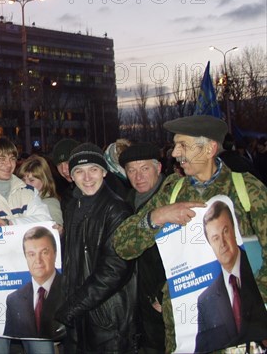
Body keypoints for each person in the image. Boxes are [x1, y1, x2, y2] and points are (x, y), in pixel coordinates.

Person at [113, 115, 267, 353]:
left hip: (241, 334)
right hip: (184, 333)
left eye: (182, 145)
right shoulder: (173, 192)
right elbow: (122, 245)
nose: (174, 153)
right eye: (175, 145)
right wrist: (158, 216)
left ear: (210, 149)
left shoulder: (246, 189)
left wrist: (256, 309)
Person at [0, 137, 54, 354]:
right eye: (1, 159)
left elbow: (44, 224)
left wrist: (8, 223)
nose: (8, 164)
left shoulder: (28, 191)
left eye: (11, 157)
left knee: (42, 349)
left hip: (31, 288)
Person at [54, 143, 137, 353]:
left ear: (104, 172)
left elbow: (114, 270)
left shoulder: (117, 210)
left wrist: (72, 307)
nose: (87, 177)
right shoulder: (73, 205)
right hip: (79, 316)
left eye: (93, 169)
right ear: (71, 176)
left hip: (106, 318)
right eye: (79, 171)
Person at [195, 200, 267, 352]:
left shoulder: (260, 267)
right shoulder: (205, 301)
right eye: (215, 238)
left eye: (225, 231)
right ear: (209, 243)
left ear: (234, 230)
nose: (222, 243)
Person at [119, 142, 166, 353]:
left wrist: (165, 294)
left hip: (162, 299)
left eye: (145, 168)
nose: (138, 177)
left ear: (158, 168)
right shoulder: (124, 203)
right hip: (135, 300)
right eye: (132, 170)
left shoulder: (173, 200)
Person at [3, 226, 63, 340]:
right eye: (31, 254)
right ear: (25, 257)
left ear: (55, 254)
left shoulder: (71, 289)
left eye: (44, 252)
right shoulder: (13, 300)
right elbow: (13, 345)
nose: (38, 260)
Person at [17, 155, 63, 231]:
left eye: (32, 180)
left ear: (44, 180)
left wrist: (58, 228)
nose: (26, 184)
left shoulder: (50, 202)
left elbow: (56, 225)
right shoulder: (22, 198)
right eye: (23, 180)